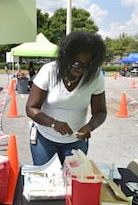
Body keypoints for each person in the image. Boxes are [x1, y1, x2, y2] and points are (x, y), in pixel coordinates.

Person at [25, 31, 107, 166]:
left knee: (73, 182)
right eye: (76, 64)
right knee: (45, 181)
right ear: (66, 57)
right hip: (44, 139)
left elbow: (100, 112)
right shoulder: (49, 71)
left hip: (76, 142)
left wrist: (89, 127)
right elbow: (31, 108)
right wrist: (53, 123)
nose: (81, 69)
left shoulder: (95, 77)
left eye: (87, 66)